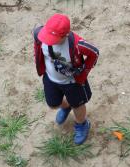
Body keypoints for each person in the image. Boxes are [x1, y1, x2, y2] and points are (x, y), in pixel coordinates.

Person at [33, 13, 99, 145]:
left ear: (65, 35)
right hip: (51, 78)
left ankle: (82, 124)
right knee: (53, 103)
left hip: (72, 82)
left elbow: (94, 53)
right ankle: (66, 105)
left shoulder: (77, 44)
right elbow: (38, 47)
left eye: (52, 38)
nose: (47, 40)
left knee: (78, 104)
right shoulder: (40, 35)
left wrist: (83, 73)